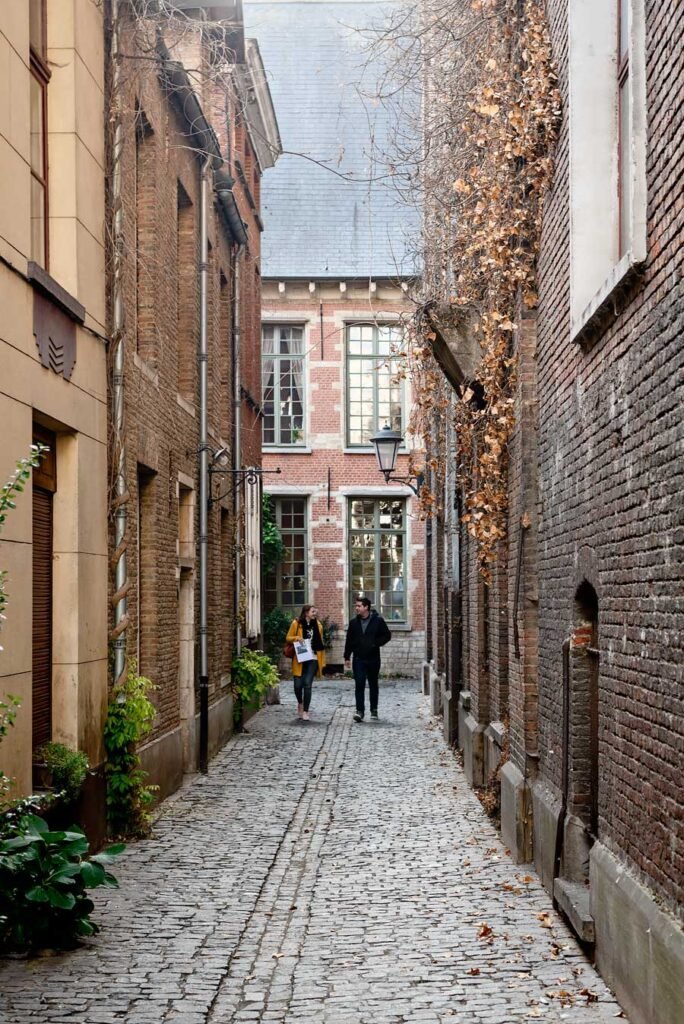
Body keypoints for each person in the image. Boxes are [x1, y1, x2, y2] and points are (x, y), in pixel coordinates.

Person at [344, 596, 391, 723]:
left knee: (373, 684)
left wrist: (375, 644)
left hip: (373, 658)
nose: (356, 608)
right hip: (358, 658)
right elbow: (349, 640)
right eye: (356, 606)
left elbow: (387, 635)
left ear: (366, 607)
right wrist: (346, 656)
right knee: (359, 684)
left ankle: (374, 710)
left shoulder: (378, 621)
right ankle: (360, 711)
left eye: (359, 606)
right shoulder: (354, 623)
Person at [286, 604, 326, 721]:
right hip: (300, 658)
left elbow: (320, 642)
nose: (315, 614)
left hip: (313, 658)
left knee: (307, 684)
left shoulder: (318, 625)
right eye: (313, 612)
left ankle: (306, 711)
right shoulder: (296, 623)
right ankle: (300, 702)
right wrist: (297, 638)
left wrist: (322, 661)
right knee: (297, 685)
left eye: (315, 612)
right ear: (306, 613)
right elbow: (288, 637)